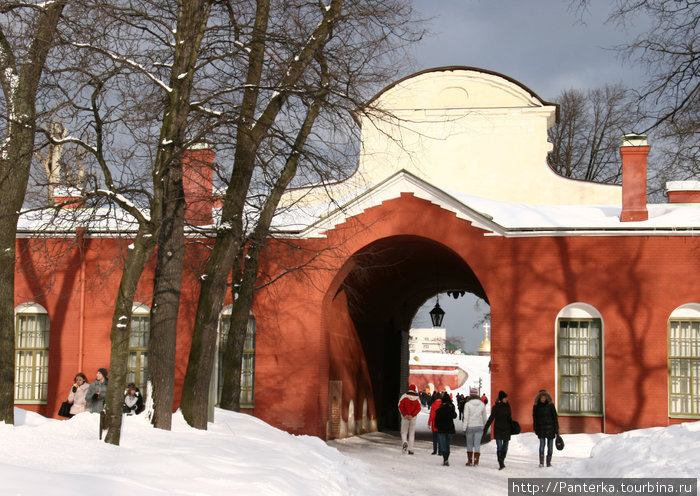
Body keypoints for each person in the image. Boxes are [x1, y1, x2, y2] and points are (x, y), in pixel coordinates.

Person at [483, 390, 513, 470]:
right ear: (501, 398)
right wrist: (486, 428)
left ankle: (502, 460)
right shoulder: (496, 407)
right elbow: (491, 418)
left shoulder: (508, 406)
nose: (506, 399)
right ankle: (501, 463)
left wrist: (513, 426)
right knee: (499, 446)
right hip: (498, 429)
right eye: (505, 398)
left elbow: (510, 418)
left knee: (505, 447)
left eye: (506, 398)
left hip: (507, 429)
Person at [533, 389, 559, 467]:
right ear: (539, 398)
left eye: (544, 397)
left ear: (547, 398)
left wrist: (556, 429)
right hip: (541, 430)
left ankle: (548, 462)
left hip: (551, 429)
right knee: (542, 445)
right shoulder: (536, 407)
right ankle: (541, 462)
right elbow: (535, 419)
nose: (543, 399)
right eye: (542, 398)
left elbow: (555, 417)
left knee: (550, 447)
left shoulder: (551, 406)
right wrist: (536, 429)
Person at [462, 386, 487, 466]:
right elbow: (484, 417)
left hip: (470, 426)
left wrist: (464, 428)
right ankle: (476, 461)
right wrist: (484, 426)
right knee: (477, 444)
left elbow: (466, 417)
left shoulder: (467, 404)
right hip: (479, 426)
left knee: (469, 443)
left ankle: (469, 460)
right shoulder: (482, 404)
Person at [434, 392, 456, 466]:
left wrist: (436, 426)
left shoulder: (439, 409)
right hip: (450, 429)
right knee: (447, 444)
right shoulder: (451, 408)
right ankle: (447, 458)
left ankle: (445, 459)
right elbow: (454, 416)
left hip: (441, 429)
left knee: (443, 444)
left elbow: (436, 419)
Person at [398, 384, 421, 455]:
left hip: (405, 418)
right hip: (413, 418)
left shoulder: (404, 397)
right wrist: (412, 415)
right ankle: (411, 449)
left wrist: (405, 414)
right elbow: (419, 408)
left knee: (404, 432)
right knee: (411, 434)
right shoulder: (417, 398)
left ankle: (404, 442)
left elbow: (400, 406)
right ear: (414, 390)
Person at [427, 390, 442, 455]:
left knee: (435, 438)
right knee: (441, 438)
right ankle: (440, 451)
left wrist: (429, 423)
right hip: (441, 423)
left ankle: (435, 450)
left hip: (434, 423)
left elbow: (432, 415)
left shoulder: (433, 405)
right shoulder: (442, 404)